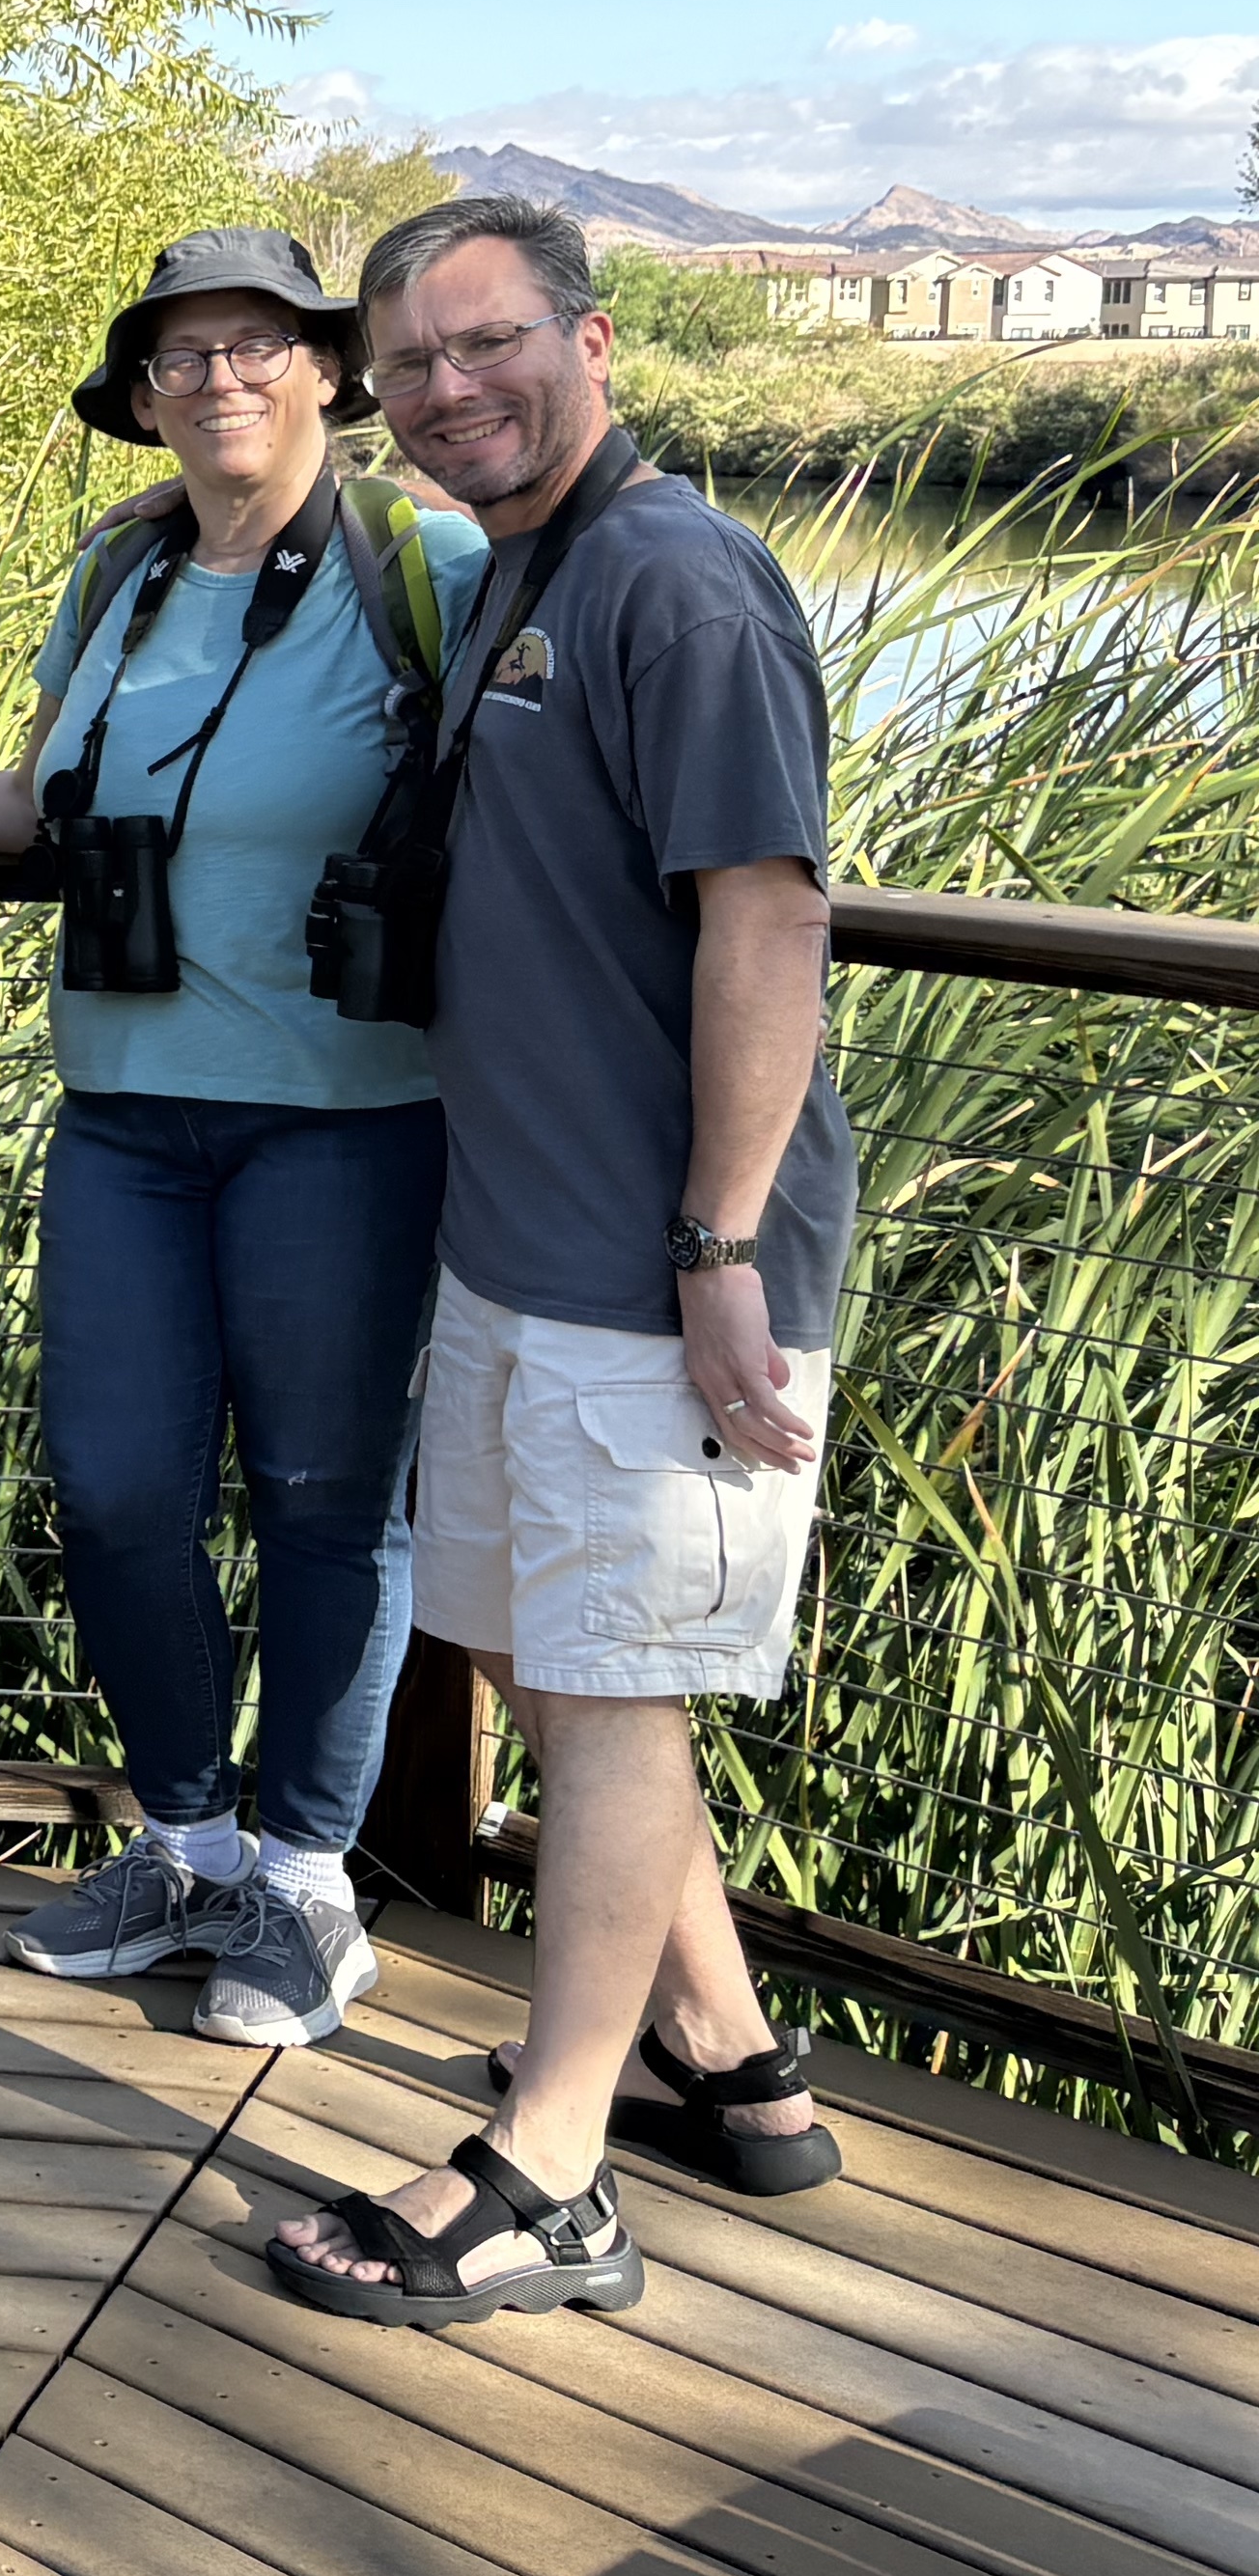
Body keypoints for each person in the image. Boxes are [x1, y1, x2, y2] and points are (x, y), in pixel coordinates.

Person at [269, 193, 854, 2329]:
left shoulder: (681, 583)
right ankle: (736, 2061)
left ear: (592, 341)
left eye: (487, 344)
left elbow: (769, 920)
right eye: (410, 365)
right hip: (525, 1248)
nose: (449, 391)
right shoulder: (530, 562)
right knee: (545, 1669)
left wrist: (715, 1246)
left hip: (654, 1273)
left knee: (614, 1718)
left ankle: (549, 2174)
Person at [0, 232, 489, 2050]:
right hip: (124, 1115)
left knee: (326, 1496)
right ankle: (181, 1834)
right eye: (181, 355)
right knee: (112, 1485)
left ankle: (307, 1879)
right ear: (142, 393)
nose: (219, 377)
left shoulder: (425, 563)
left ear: (326, 370)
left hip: (348, 1117)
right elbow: (28, 797)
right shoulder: (120, 570)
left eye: (256, 346)